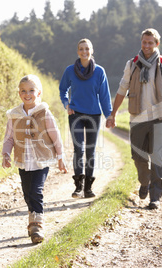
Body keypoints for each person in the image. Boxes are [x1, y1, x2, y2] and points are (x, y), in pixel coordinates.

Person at [106, 28, 162, 210]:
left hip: (159, 118)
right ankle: (144, 181)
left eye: (150, 42)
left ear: (157, 44)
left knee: (158, 159)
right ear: (141, 42)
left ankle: (155, 197)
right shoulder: (132, 64)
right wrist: (113, 113)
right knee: (138, 157)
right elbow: (122, 89)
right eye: (144, 42)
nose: (147, 46)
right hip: (137, 118)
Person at [2, 74, 67, 244]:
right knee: (27, 193)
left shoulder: (44, 113)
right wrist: (6, 154)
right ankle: (32, 221)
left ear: (38, 93)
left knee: (36, 191)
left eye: (31, 90)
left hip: (41, 160)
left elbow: (55, 135)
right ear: (19, 93)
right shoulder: (14, 115)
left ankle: (37, 224)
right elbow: (9, 137)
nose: (27, 93)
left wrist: (60, 157)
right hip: (23, 160)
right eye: (23, 91)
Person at [59, 38, 112, 199]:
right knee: (78, 149)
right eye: (81, 49)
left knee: (89, 151)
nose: (84, 52)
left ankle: (88, 188)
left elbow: (104, 96)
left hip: (94, 115)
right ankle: (78, 187)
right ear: (77, 52)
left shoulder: (99, 71)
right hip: (75, 114)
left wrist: (109, 115)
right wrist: (66, 104)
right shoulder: (70, 70)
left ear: (92, 51)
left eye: (87, 49)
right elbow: (63, 90)